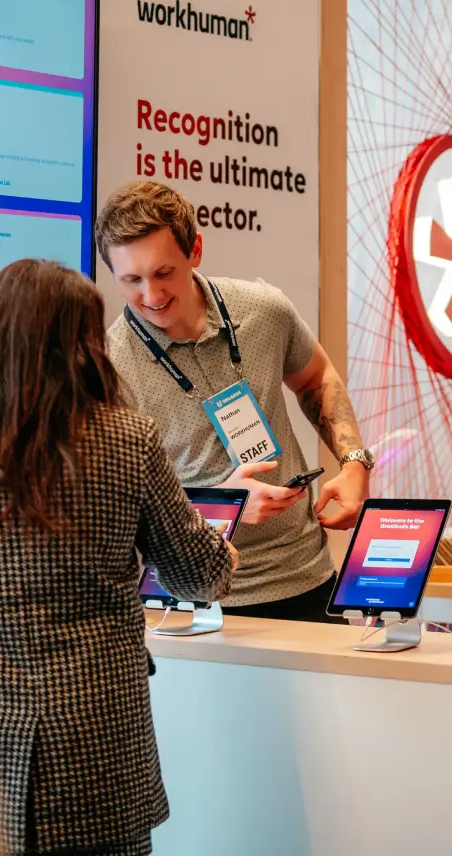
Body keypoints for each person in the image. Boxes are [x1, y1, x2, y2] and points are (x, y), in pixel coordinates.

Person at [0, 259, 236, 856]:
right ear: (81, 345)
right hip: (95, 740)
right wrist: (224, 538)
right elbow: (199, 575)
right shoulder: (126, 440)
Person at [96, 181, 375, 624]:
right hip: (190, 605)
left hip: (305, 578)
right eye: (131, 280)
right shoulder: (107, 367)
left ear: (195, 251)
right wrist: (222, 504)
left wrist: (355, 462)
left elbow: (316, 377)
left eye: (164, 272)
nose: (151, 295)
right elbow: (117, 509)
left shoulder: (263, 310)